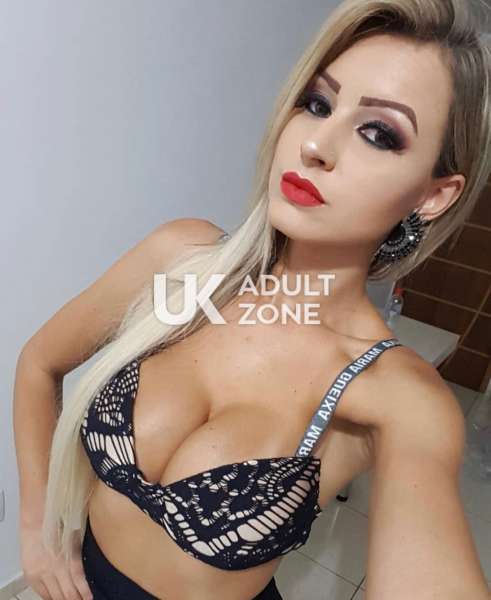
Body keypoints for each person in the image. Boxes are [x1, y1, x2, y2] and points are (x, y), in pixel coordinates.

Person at [13, 0, 491, 598]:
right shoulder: (182, 260)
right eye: (318, 103)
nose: (316, 144)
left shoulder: (396, 397)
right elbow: (38, 364)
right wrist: (36, 528)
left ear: (433, 195)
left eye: (378, 133)